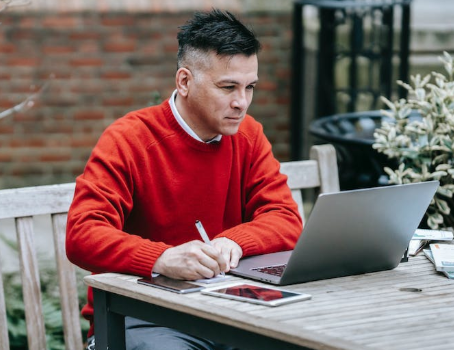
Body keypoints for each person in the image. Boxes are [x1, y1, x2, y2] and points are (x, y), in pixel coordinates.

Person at [66, 9, 303, 350]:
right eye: (228, 87)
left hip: (231, 309)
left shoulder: (249, 136)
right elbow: (83, 235)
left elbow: (286, 219)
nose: (242, 102)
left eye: (249, 87)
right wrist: (162, 259)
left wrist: (233, 242)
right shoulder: (129, 139)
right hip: (142, 316)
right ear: (185, 81)